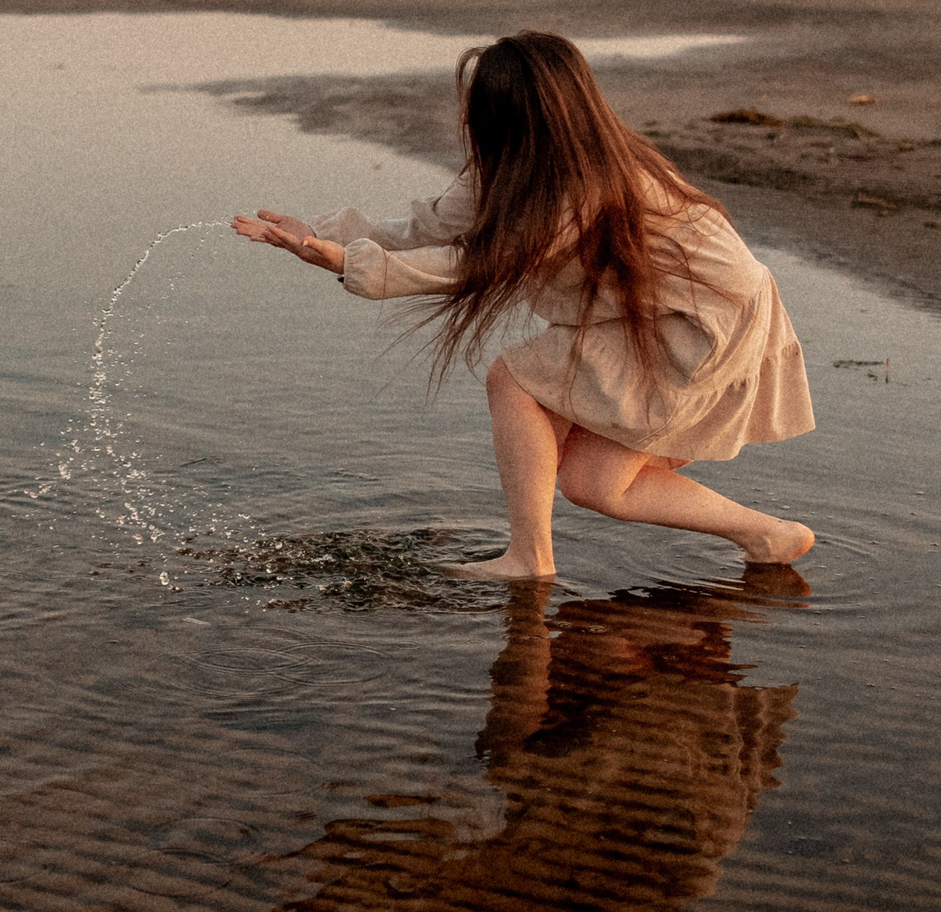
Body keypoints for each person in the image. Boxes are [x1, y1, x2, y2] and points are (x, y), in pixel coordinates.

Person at [235, 31, 813, 579]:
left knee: (514, 380)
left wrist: (347, 262)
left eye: (477, 107)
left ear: (513, 118)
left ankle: (529, 558)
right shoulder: (518, 168)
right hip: (676, 316)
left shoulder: (587, 186)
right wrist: (323, 236)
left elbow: (478, 265)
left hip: (703, 324)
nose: (466, 118)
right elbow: (433, 225)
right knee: (595, 483)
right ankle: (769, 536)